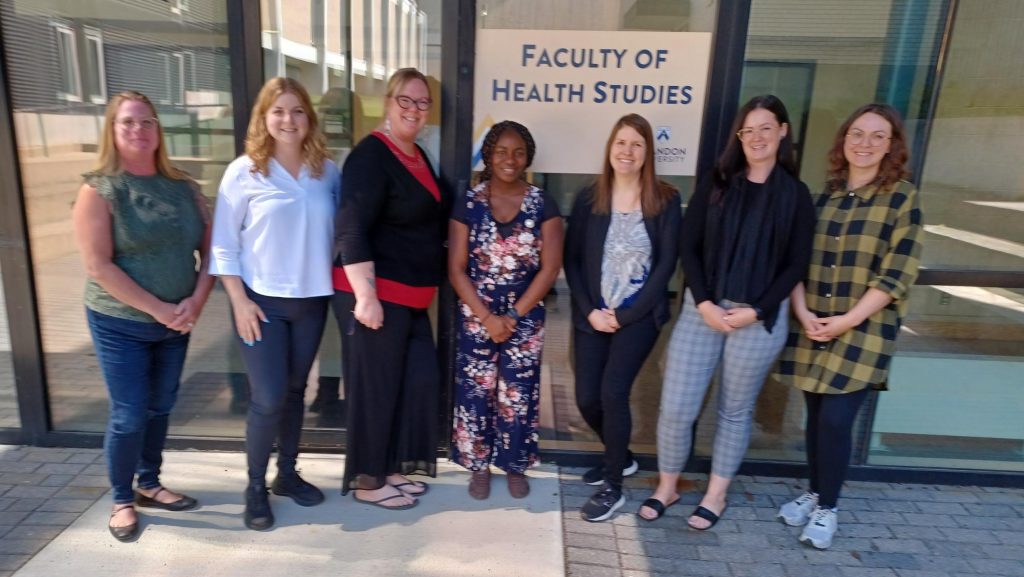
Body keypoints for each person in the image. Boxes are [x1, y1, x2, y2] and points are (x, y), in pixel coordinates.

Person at [639, 95, 814, 529]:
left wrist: (757, 309)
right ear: (739, 136)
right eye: (748, 130)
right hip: (704, 311)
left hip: (758, 320)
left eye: (766, 128)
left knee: (735, 411)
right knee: (677, 407)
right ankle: (667, 486)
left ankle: (716, 495)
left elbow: (796, 264)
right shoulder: (716, 183)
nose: (756, 138)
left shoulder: (796, 196)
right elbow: (689, 246)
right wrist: (702, 302)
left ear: (783, 131)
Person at [775, 103, 922, 549]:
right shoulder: (823, 198)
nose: (865, 143)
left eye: (878, 136)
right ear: (843, 141)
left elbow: (897, 272)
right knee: (816, 419)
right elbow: (794, 261)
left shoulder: (902, 197)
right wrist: (803, 314)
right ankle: (816, 491)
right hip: (814, 323)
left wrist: (848, 320)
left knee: (837, 421)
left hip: (863, 330)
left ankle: (828, 509)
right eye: (857, 134)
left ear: (892, 145)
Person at [72, 90, 213, 542]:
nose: (138, 130)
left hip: (176, 321)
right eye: (128, 122)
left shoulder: (184, 186)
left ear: (159, 129)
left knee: (161, 406)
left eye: (147, 121)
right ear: (112, 131)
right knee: (130, 413)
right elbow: (99, 265)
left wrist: (195, 302)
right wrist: (161, 310)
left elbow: (211, 253)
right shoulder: (99, 189)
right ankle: (121, 497)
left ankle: (149, 482)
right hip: (120, 323)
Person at [209, 77, 340, 530]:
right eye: (279, 111)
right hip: (261, 302)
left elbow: (347, 232)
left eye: (297, 110)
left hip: (311, 301)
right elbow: (223, 246)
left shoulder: (327, 171)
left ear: (309, 118)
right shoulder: (244, 172)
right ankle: (254, 486)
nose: (288, 119)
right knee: (266, 398)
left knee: (295, 392)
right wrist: (239, 301)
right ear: (264, 118)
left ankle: (286, 474)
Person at [333, 68, 449, 510]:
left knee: (417, 381)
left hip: (411, 300)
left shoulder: (417, 155)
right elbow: (351, 227)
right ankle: (368, 480)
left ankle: (391, 467)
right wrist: (365, 296)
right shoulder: (371, 156)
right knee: (376, 388)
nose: (414, 110)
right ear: (388, 102)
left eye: (422, 103)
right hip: (375, 297)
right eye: (406, 100)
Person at [565, 113, 681, 522]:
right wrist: (590, 310)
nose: (627, 151)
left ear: (647, 152)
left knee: (614, 392)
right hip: (593, 315)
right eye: (621, 143)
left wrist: (627, 314)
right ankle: (622, 456)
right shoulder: (589, 198)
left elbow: (667, 266)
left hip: (639, 316)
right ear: (610, 149)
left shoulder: (665, 200)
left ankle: (613, 486)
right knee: (586, 397)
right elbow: (573, 260)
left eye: (636, 144)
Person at [449, 121, 563, 500]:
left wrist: (512, 317)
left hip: (525, 317)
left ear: (528, 156)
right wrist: (486, 317)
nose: (509, 160)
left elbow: (549, 269)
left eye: (517, 152)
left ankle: (514, 464)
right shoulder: (469, 202)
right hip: (477, 313)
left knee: (518, 392)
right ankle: (478, 466)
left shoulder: (542, 203)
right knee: (475, 392)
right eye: (501, 151)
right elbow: (455, 268)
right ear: (488, 155)